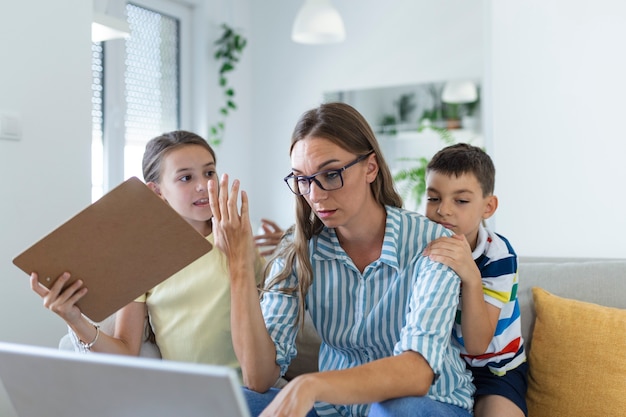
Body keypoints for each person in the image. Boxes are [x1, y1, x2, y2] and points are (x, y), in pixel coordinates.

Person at [208, 102, 475, 417]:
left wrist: (311, 385)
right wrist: (238, 265)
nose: (315, 195)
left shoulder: (433, 244)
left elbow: (417, 372)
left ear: (370, 168)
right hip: (334, 411)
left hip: (426, 405)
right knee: (232, 403)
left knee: (394, 411)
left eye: (331, 174)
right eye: (302, 179)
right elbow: (258, 376)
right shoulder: (299, 249)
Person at [30, 130, 265, 377]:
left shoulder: (236, 237)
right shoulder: (143, 258)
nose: (203, 186)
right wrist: (75, 320)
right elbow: (125, 354)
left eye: (209, 173)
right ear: (156, 191)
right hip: (191, 392)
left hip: (252, 384)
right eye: (185, 178)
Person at [422, 143, 528, 417]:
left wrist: (470, 275)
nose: (443, 210)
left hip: (495, 369)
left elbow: (477, 344)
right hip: (444, 367)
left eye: (461, 201)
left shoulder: (498, 256)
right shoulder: (421, 246)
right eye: (433, 198)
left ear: (488, 206)